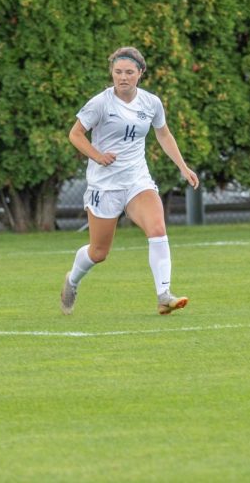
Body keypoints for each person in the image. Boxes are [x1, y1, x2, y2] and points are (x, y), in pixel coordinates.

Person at [61, 47, 199, 316]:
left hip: (137, 180)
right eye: (118, 72)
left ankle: (163, 295)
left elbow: (164, 134)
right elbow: (75, 134)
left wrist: (183, 167)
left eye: (129, 72)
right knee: (99, 252)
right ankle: (72, 280)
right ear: (112, 73)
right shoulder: (100, 103)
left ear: (140, 74)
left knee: (158, 229)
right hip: (105, 186)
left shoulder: (151, 103)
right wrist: (97, 156)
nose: (123, 77)